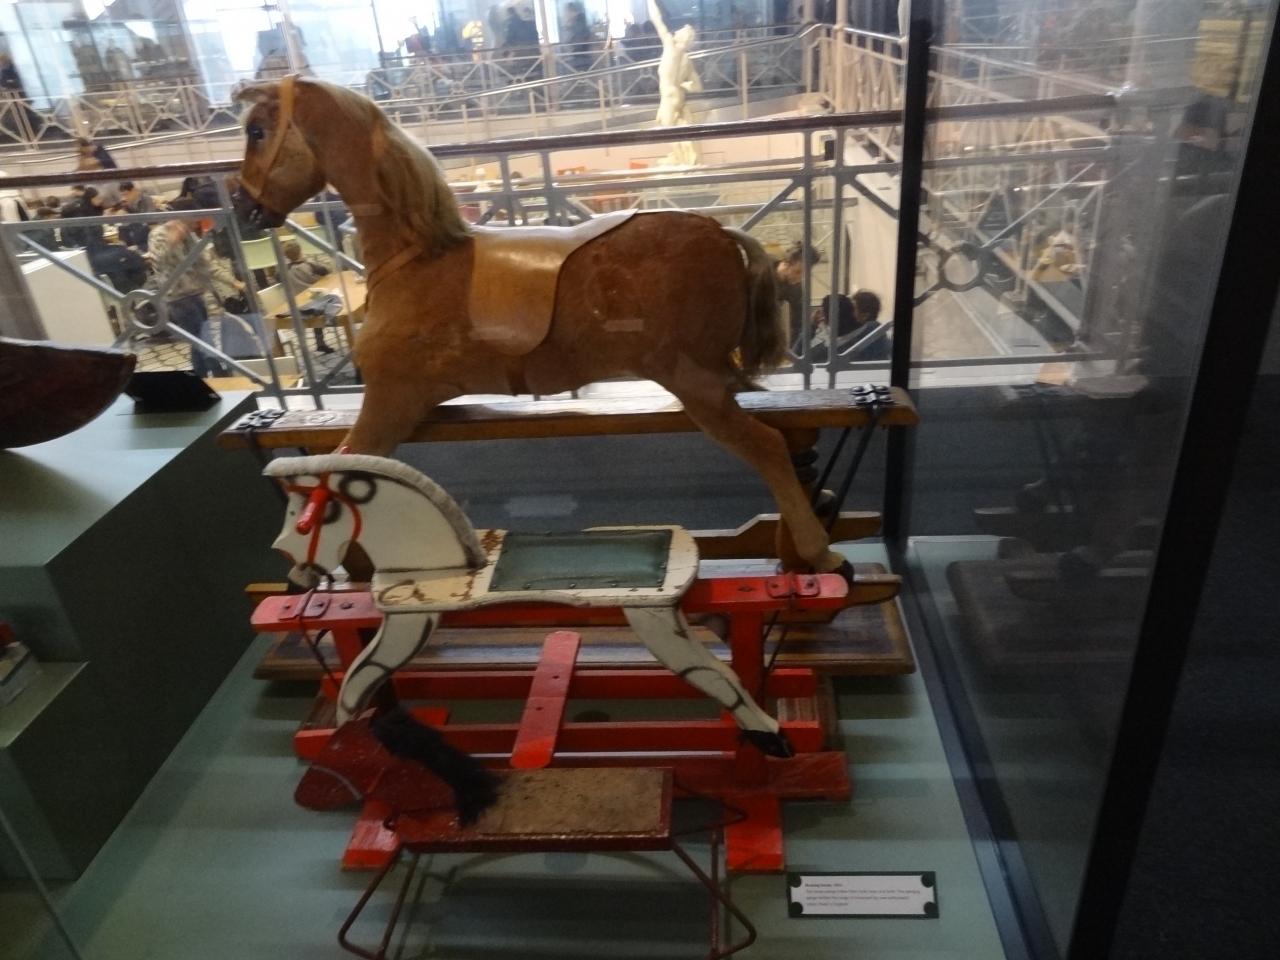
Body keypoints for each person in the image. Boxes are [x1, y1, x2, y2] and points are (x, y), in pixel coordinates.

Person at [149, 197, 245, 377]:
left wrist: (233, 282)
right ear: (182, 216)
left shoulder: (189, 235)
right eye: (194, 217)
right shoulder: (159, 234)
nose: (197, 222)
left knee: (198, 341)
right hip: (177, 298)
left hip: (196, 294)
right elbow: (159, 261)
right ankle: (221, 377)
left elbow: (205, 264)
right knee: (203, 341)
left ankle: (201, 376)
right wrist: (172, 241)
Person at [648, 0, 701, 165]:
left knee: (670, 134)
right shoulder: (687, 60)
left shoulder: (670, 45)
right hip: (678, 98)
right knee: (676, 135)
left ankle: (683, 164)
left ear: (682, 37)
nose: (675, 31)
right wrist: (684, 85)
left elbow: (656, 19)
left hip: (669, 99)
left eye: (679, 31)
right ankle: (683, 161)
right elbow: (698, 87)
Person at [281, 239, 336, 354]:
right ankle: (320, 342)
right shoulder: (309, 265)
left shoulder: (285, 270)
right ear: (301, 252)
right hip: (314, 301)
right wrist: (307, 260)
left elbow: (278, 277)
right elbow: (326, 270)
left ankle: (308, 345)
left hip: (297, 304)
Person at [809, 291, 891, 363]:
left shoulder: (869, 335)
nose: (847, 310)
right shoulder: (879, 331)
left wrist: (812, 327)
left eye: (852, 308)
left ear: (865, 316)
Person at [562, 2, 594, 71]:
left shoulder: (578, 26)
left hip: (580, 61)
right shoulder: (579, 24)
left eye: (567, 12)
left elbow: (578, 45)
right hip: (582, 59)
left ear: (573, 12)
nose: (565, 15)